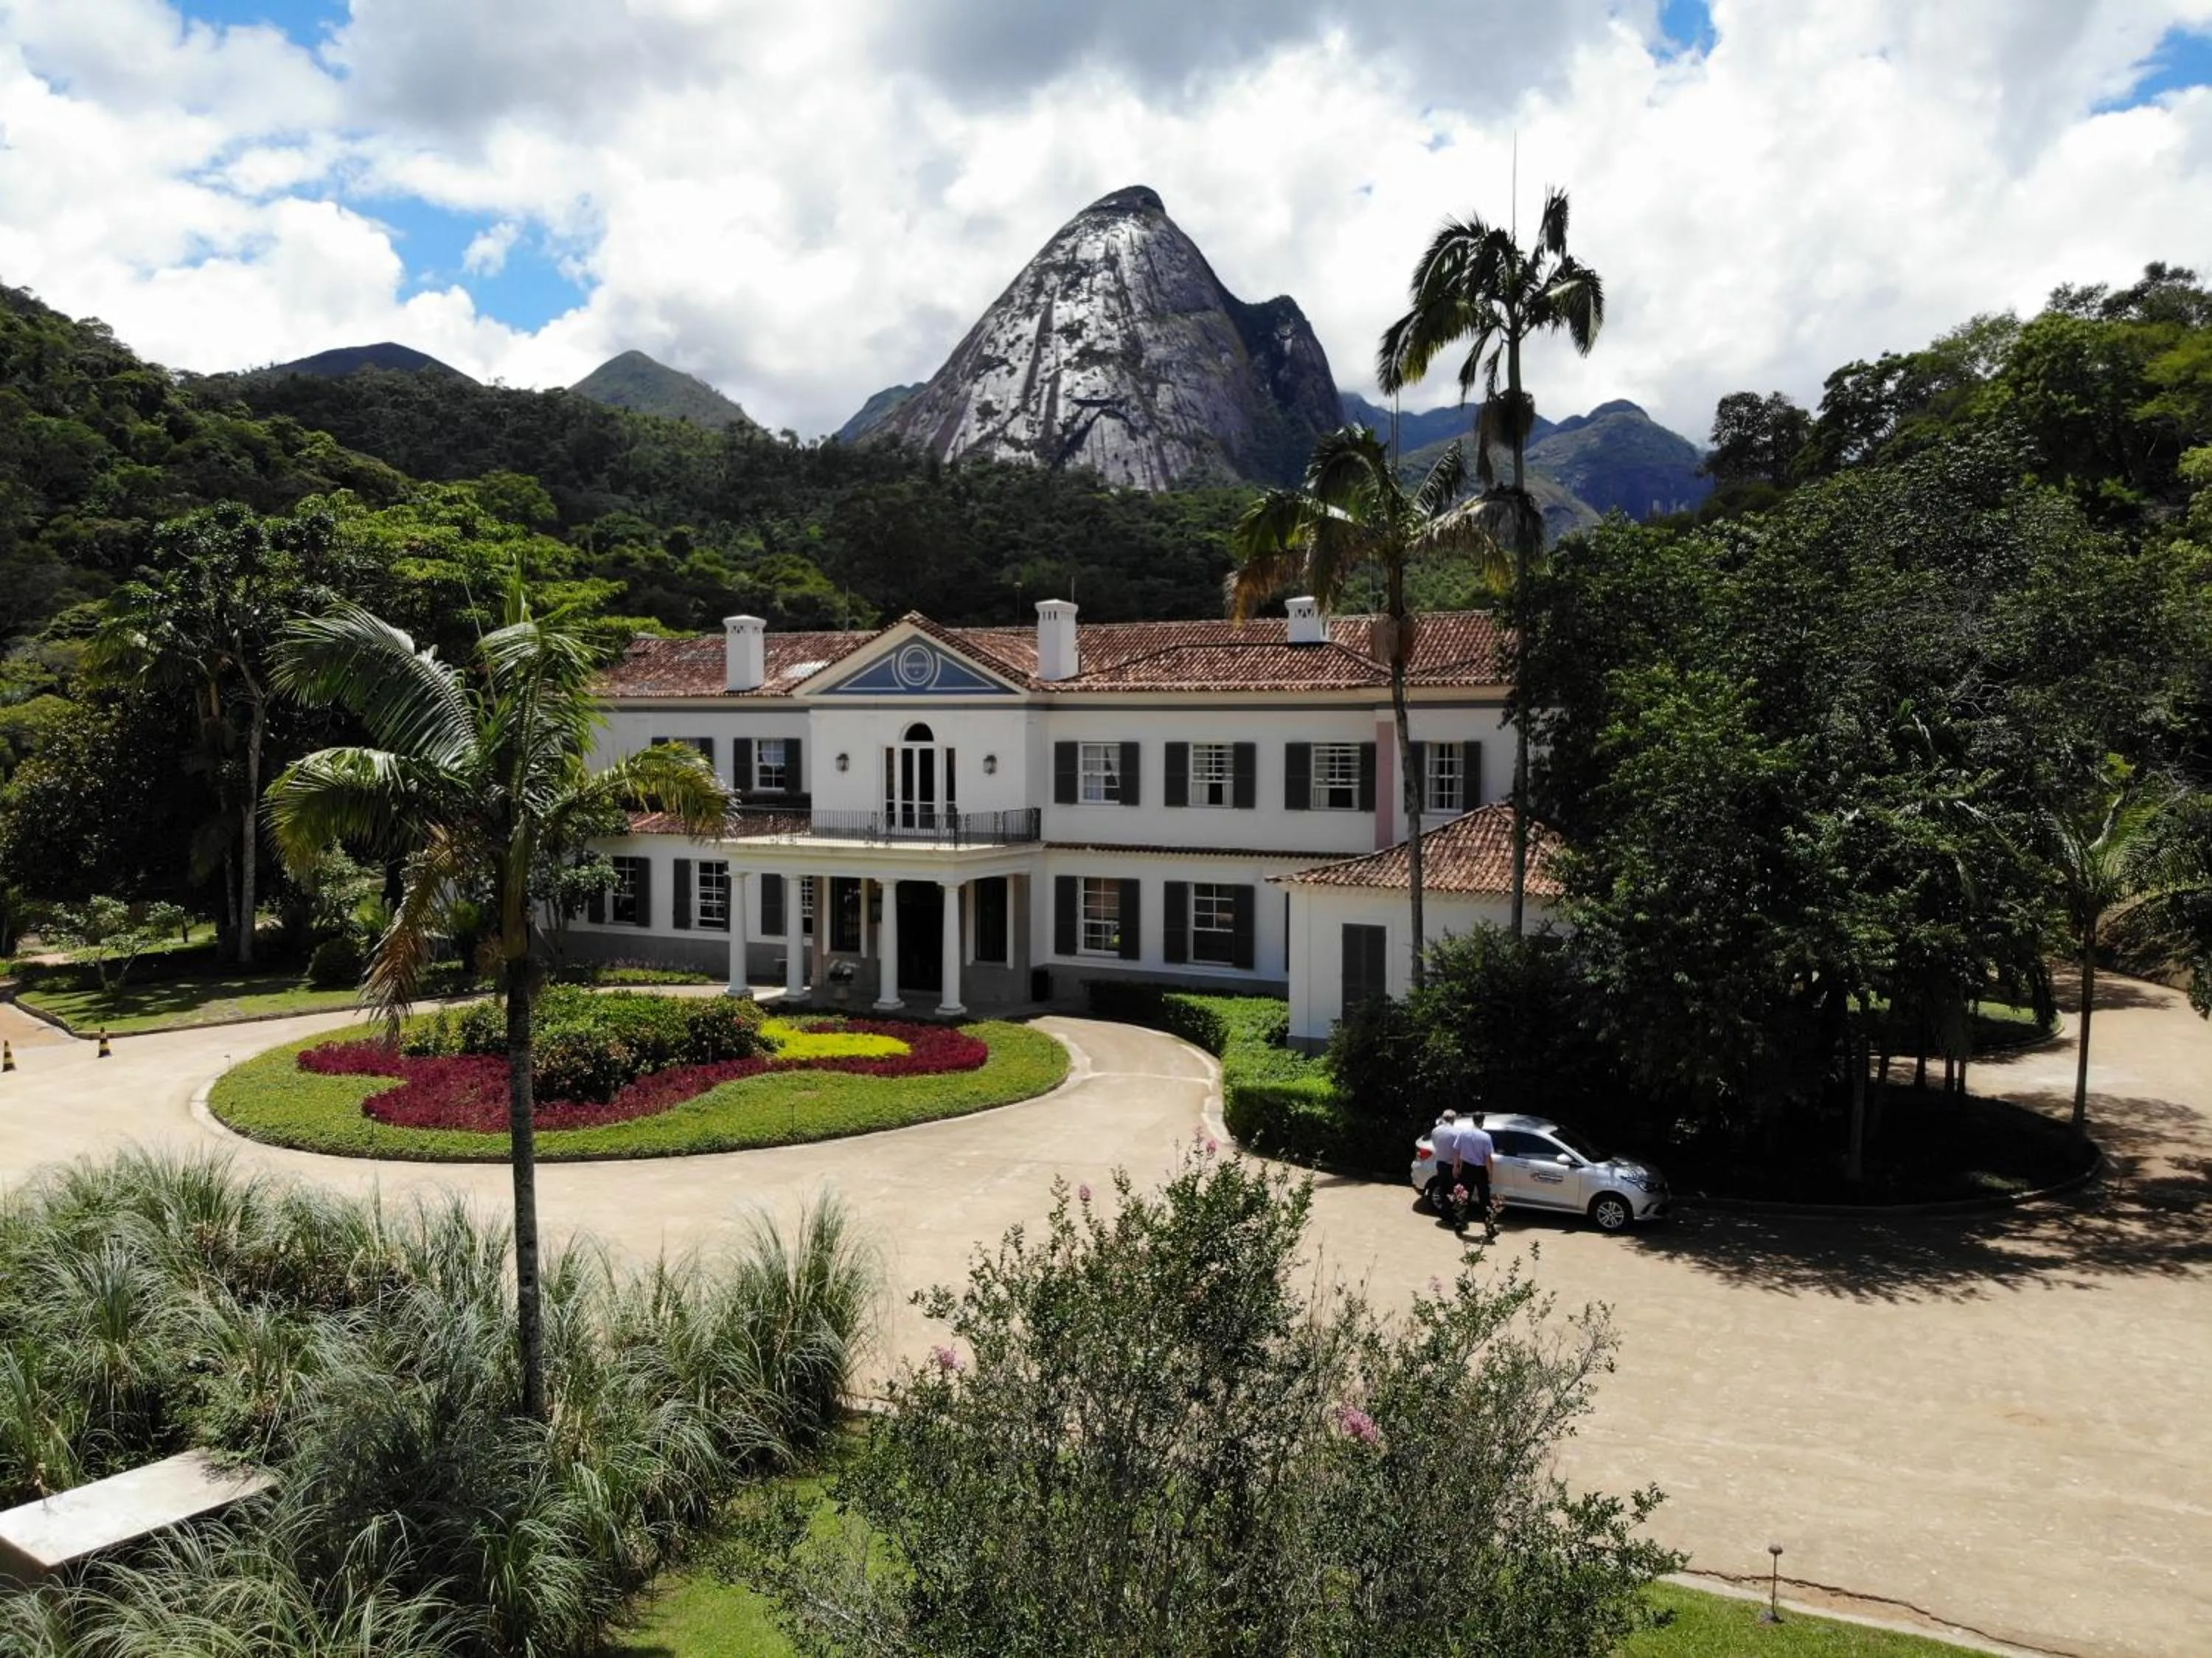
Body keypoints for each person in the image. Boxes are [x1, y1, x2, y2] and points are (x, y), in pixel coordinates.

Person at [1452, 1112, 1498, 1241]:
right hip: (1480, 1170)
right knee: (1485, 1200)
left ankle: (1458, 1224)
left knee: (1462, 1197)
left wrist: (1456, 1167)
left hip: (1466, 1168)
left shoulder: (1463, 1133)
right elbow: (1488, 1159)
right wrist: (1490, 1174)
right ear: (1483, 1121)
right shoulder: (1486, 1137)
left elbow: (1456, 1150)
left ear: (1473, 1120)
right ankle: (1490, 1228)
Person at [1425, 1110, 1461, 1218]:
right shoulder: (1457, 1133)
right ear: (1453, 1119)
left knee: (1443, 1190)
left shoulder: (1435, 1131)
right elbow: (1457, 1152)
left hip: (1440, 1164)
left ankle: (1444, 1213)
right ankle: (1452, 1215)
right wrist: (1456, 1167)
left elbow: (1436, 1146)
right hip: (1452, 1165)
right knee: (1452, 1191)